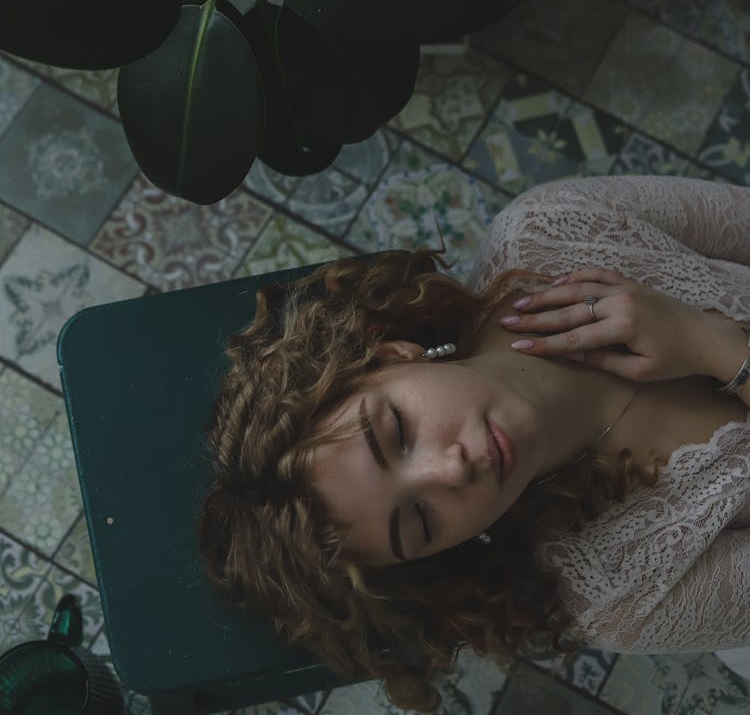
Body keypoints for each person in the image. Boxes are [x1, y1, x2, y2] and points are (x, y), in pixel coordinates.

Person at [199, 175, 750, 711]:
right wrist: (719, 351)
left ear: (391, 356)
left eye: (397, 433)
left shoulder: (551, 228)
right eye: (419, 521)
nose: (451, 470)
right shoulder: (619, 595)